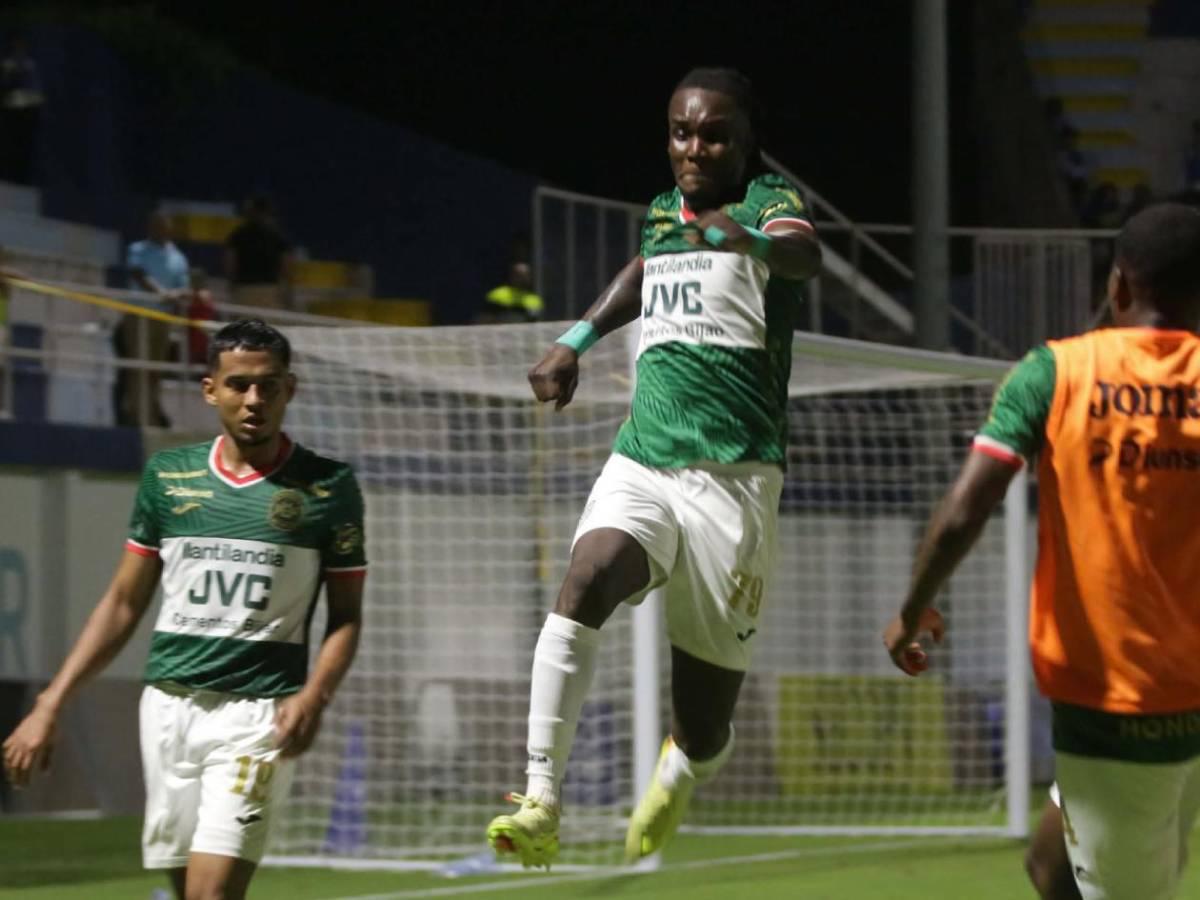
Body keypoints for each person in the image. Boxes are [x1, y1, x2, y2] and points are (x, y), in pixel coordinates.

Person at [485, 67, 821, 869]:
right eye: (680, 131)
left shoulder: (769, 205)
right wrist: (575, 341)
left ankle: (683, 766)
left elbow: (805, 257)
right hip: (645, 460)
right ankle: (540, 798)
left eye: (712, 134)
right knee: (585, 579)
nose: (693, 148)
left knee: (703, 721)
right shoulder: (666, 210)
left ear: (747, 142)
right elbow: (645, 269)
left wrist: (751, 241)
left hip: (733, 485)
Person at [883, 202, 1200, 900]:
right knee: (1049, 868)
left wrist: (913, 608)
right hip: (1184, 691)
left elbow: (967, 508)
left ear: (1117, 286)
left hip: (1115, 700)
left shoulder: (1054, 373)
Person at [3, 319, 367, 900]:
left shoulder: (327, 487)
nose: (254, 401)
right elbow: (124, 602)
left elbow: (347, 616)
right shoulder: (169, 479)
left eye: (269, 386)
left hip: (257, 715)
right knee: (185, 892)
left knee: (210, 895)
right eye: (239, 385)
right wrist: (51, 703)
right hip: (168, 711)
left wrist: (313, 695)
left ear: (289, 389)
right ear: (210, 390)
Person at [115, 210, 191, 426]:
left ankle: (151, 414)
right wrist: (160, 292)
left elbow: (184, 287)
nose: (160, 230)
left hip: (163, 319)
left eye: (164, 226)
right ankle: (138, 417)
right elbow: (138, 273)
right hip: (139, 315)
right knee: (138, 366)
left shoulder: (178, 257)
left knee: (155, 370)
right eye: (156, 225)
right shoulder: (138, 249)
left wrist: (176, 295)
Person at [225, 196, 295, 311]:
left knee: (245, 328)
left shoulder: (237, 236)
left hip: (244, 290)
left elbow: (230, 264)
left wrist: (232, 286)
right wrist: (287, 292)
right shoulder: (278, 237)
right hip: (270, 291)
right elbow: (286, 268)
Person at [0, 34, 45, 186]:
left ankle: (23, 179)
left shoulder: (30, 67)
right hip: (10, 116)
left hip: (27, 115)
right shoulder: (8, 66)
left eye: (22, 48)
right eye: (17, 48)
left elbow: (36, 93)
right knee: (10, 148)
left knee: (24, 150)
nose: (19, 51)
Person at [478, 261, 544, 323]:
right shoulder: (497, 294)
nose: (522, 279)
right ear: (511, 276)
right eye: (518, 275)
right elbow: (484, 318)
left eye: (525, 275)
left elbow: (535, 322)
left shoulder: (535, 300)